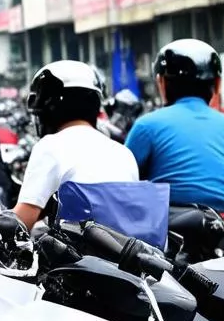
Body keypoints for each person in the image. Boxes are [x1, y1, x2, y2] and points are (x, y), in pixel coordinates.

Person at [14, 60, 138, 229]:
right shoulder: (124, 152)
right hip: (127, 251)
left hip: (83, 252)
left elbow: (21, 222)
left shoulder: (49, 146)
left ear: (49, 110)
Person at [125, 39, 224, 213]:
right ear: (217, 84)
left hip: (166, 230)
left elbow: (123, 181)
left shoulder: (147, 125)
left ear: (162, 83)